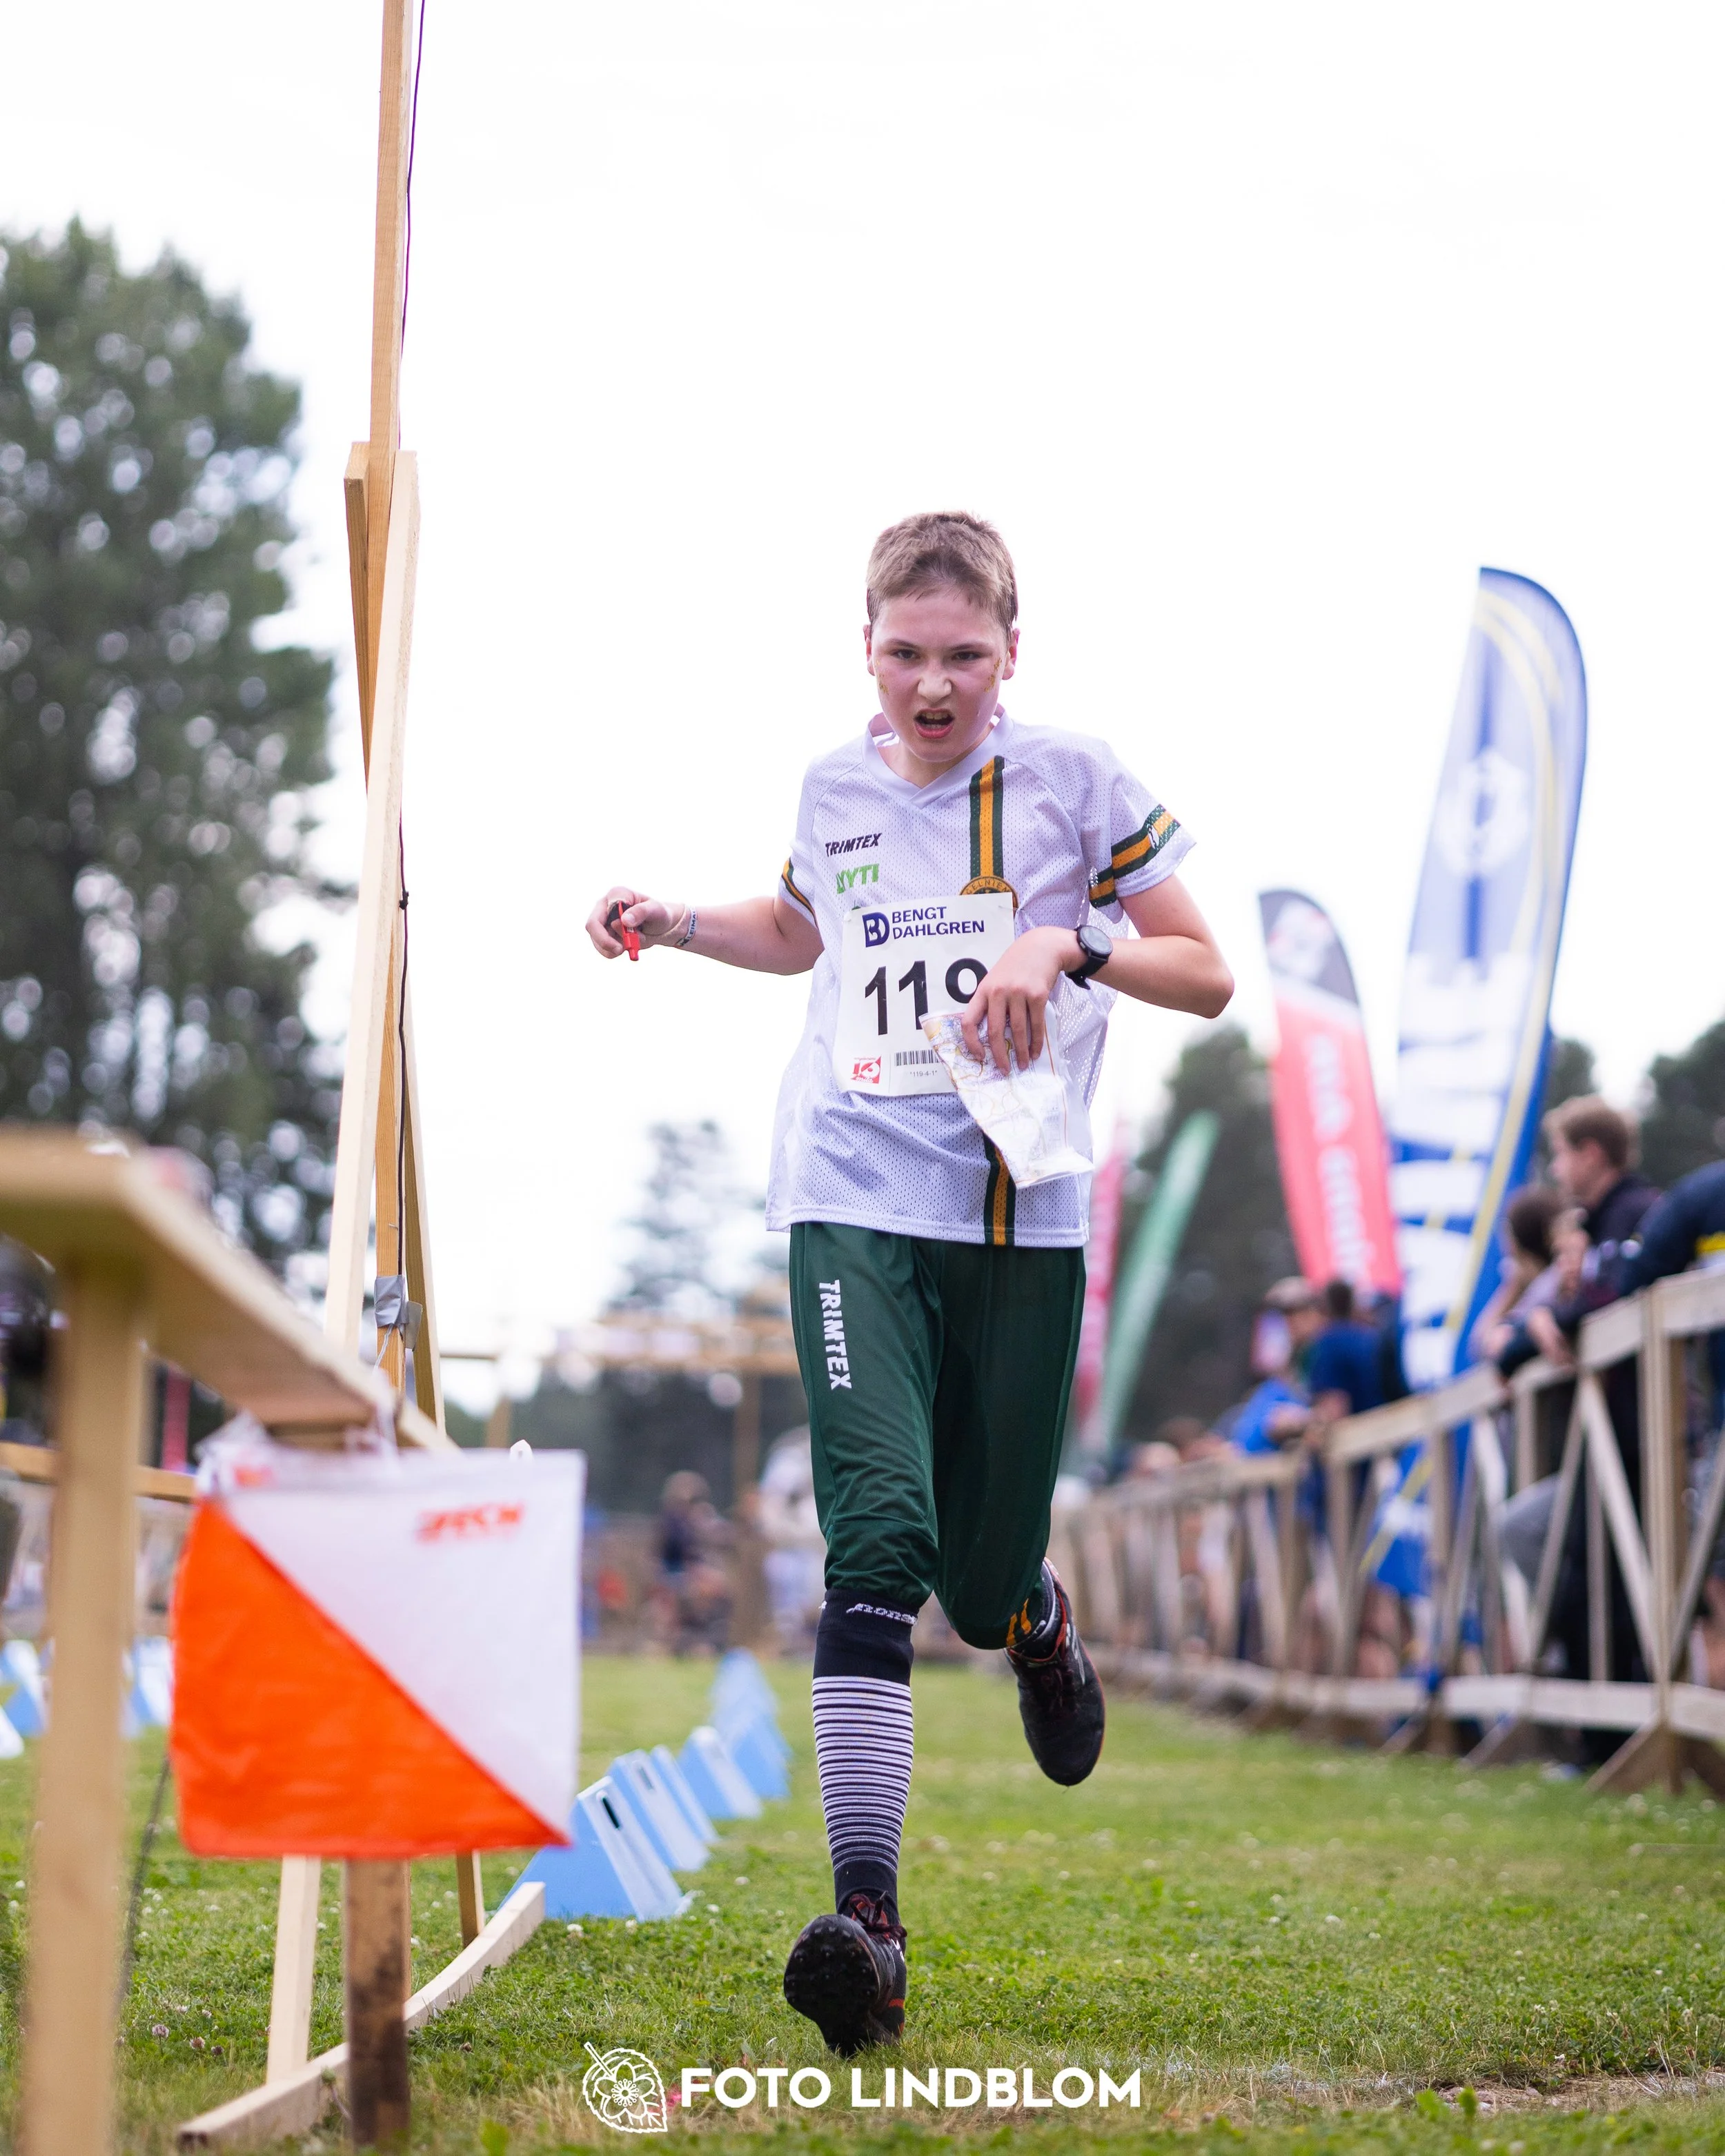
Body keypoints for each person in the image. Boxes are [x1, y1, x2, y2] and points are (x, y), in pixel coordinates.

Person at [586, 511, 1232, 2053]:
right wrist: (678, 920)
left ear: (1013, 653)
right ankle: (865, 1926)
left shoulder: (1078, 779)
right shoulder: (833, 783)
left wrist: (1061, 946)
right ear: (861, 648)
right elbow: (806, 928)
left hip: (1017, 1214)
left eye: (960, 655)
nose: (929, 685)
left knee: (973, 1569)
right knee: (873, 1537)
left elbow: (1202, 973)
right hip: (852, 1192)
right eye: (902, 654)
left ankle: (1027, 1616)